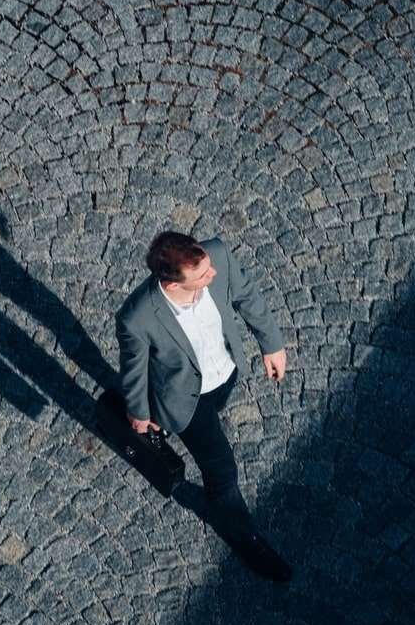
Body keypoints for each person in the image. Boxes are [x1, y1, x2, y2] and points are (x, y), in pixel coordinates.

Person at [116, 231, 292, 581]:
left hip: (224, 373)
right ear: (171, 283)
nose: (212, 275)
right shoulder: (137, 318)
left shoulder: (218, 255)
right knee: (221, 470)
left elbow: (247, 296)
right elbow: (133, 370)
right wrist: (138, 413)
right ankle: (246, 538)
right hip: (185, 401)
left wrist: (272, 344)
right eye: (202, 276)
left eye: (209, 268)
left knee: (220, 407)